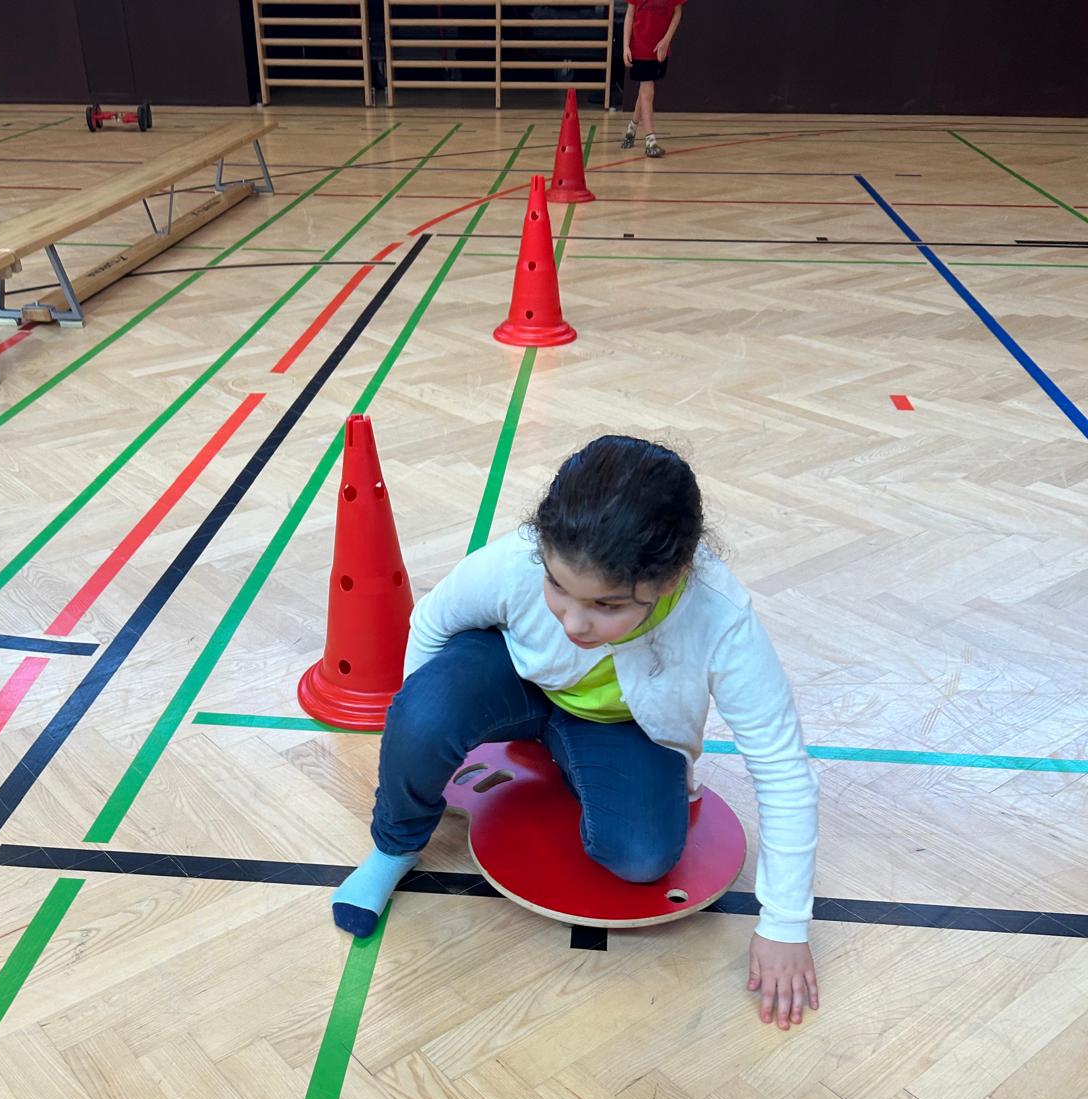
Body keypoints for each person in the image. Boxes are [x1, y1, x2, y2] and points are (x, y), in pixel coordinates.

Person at [332, 435, 821, 1030]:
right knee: (424, 711)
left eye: (606, 605)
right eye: (558, 587)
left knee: (641, 858)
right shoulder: (519, 559)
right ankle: (395, 846)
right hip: (514, 681)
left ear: (673, 577)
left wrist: (785, 926)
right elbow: (432, 623)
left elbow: (782, 767)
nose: (573, 621)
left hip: (617, 725)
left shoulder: (720, 616)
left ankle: (564, 754)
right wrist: (427, 734)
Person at [620, 0, 685, 157]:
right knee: (648, 91)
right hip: (639, 47)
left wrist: (667, 39)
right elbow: (629, 14)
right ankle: (650, 141)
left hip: (659, 48)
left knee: (645, 92)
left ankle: (631, 128)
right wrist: (626, 46)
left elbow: (677, 12)